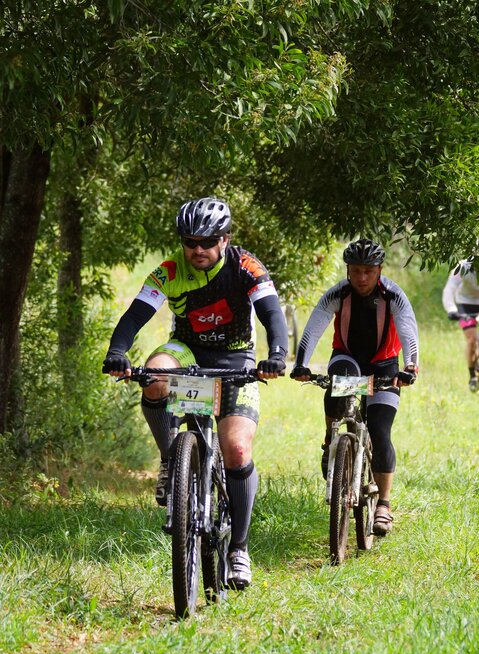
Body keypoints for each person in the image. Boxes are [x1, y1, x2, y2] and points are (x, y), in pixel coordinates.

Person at [103, 197, 288, 589]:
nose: (198, 250)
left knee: (237, 448)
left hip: (236, 358)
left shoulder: (245, 265)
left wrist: (276, 355)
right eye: (190, 242)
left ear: (225, 239)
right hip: (186, 351)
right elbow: (136, 315)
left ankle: (239, 548)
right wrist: (117, 352)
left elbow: (271, 312)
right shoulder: (170, 271)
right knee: (154, 375)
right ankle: (172, 458)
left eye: (207, 241)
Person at [291, 239, 419, 536]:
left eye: (369, 272)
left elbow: (408, 330)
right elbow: (314, 326)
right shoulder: (338, 293)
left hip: (385, 364)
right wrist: (301, 364)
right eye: (356, 271)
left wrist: (410, 367)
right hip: (347, 357)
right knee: (337, 384)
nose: (362, 278)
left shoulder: (393, 295)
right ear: (348, 270)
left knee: (380, 431)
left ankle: (384, 504)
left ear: (379, 270)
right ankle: (330, 440)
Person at [442, 259, 479, 391]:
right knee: (472, 340)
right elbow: (449, 288)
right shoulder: (463, 266)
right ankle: (472, 375)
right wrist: (451, 309)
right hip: (465, 304)